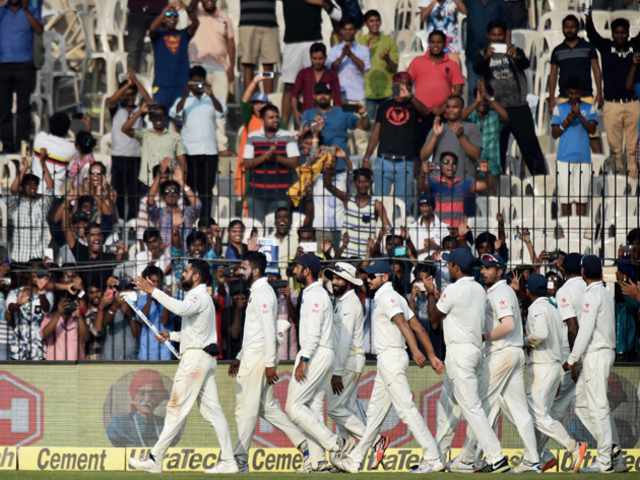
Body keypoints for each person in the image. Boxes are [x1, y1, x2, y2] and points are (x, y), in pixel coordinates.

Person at [335, 260, 445, 474]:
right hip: (389, 359)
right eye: (367, 276)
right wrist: (432, 356)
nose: (368, 279)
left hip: (391, 358)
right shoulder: (397, 297)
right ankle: (355, 459)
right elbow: (418, 328)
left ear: (385, 277)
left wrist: (416, 351)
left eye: (372, 276)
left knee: (406, 409)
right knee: (374, 413)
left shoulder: (386, 297)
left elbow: (405, 325)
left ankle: (432, 457)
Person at [130, 259, 239, 474]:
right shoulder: (201, 296)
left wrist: (153, 291)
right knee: (214, 413)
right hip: (204, 358)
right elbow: (196, 333)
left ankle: (155, 459)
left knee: (175, 411)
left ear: (196, 276)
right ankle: (229, 461)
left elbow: (180, 309)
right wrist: (173, 335)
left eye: (187, 271)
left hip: (195, 361)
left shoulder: (197, 295)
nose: (183, 274)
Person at [448, 254, 539, 472]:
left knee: (476, 406)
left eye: (489, 268)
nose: (483, 271)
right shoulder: (502, 291)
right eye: (482, 267)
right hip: (514, 353)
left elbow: (507, 325)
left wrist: (483, 336)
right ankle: (532, 459)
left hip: (501, 354)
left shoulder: (499, 292)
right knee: (519, 410)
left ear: (500, 271)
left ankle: (467, 459)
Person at [425, 248, 510, 473]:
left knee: (471, 408)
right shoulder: (479, 289)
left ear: (456, 267)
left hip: (459, 354)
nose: (448, 267)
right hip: (473, 351)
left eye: (450, 264)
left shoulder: (454, 288)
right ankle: (437, 457)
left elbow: (434, 317)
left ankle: (496, 457)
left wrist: (430, 293)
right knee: (446, 406)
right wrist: (437, 293)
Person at [229, 252, 309, 472]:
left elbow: (268, 330)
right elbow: (254, 332)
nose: (239, 271)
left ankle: (239, 460)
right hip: (253, 355)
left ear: (255, 271)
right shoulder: (258, 291)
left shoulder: (263, 292)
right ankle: (304, 445)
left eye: (243, 267)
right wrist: (238, 357)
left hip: (258, 358)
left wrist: (268, 364)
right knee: (268, 408)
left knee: (245, 408)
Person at [285, 253, 347, 472]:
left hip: (315, 353)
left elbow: (313, 332)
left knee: (292, 407)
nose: (294, 271)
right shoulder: (314, 292)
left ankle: (335, 444)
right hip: (319, 352)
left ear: (307, 270)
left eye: (297, 268)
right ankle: (318, 461)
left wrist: (304, 359)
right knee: (312, 407)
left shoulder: (315, 294)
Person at [523, 274, 587, 474]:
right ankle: (541, 455)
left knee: (536, 415)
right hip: (553, 367)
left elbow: (540, 334)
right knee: (538, 414)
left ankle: (572, 446)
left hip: (542, 367)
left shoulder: (535, 308)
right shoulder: (553, 308)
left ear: (528, 291)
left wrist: (525, 341)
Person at [563, 255, 619, 473]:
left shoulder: (591, 295)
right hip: (603, 352)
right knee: (582, 403)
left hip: (596, 354)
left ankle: (604, 461)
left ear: (583, 272)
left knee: (598, 407)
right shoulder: (605, 292)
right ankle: (615, 452)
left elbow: (583, 331)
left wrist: (571, 360)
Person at [473, 19, 546, 176]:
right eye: (494, 35)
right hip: (496, 111)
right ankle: (495, 192)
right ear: (488, 36)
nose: (497, 38)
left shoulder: (515, 51)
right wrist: (486, 57)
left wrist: (516, 57)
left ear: (505, 35)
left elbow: (525, 64)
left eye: (500, 35)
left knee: (530, 148)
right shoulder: (482, 54)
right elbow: (476, 68)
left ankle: (543, 185)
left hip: (519, 108)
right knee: (497, 152)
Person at [324, 262, 375, 454]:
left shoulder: (349, 304)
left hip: (349, 362)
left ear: (349, 282)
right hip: (347, 362)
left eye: (338, 279)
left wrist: (337, 372)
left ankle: (374, 440)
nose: (334, 282)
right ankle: (345, 453)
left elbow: (345, 341)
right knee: (344, 408)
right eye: (333, 278)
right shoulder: (344, 300)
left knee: (333, 409)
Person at [363, 72, 430, 211]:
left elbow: (426, 114)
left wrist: (410, 97)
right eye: (400, 83)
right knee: (379, 205)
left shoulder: (413, 106)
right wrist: (366, 157)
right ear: (394, 85)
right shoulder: (384, 105)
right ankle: (381, 231)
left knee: (404, 207)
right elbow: (376, 133)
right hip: (383, 161)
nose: (403, 86)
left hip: (405, 163)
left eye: (407, 84)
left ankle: (402, 232)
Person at [586, 7, 640, 178]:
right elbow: (592, 35)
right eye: (617, 33)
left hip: (632, 104)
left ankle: (633, 185)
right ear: (612, 33)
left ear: (628, 33)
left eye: (623, 33)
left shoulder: (635, 45)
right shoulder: (606, 47)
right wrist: (588, 16)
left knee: (632, 150)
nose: (620, 36)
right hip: (612, 106)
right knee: (615, 150)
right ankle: (618, 186)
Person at [170, 66, 227, 218]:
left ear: (205, 81)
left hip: (209, 152)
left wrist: (212, 95)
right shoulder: (183, 100)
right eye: (194, 82)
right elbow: (175, 116)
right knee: (189, 189)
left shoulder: (211, 100)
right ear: (189, 82)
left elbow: (222, 113)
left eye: (199, 82)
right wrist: (185, 94)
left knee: (206, 190)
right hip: (189, 152)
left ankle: (205, 222)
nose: (197, 85)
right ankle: (188, 222)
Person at [280, 0, 342, 125]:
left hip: (314, 42)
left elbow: (339, 15)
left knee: (317, 86)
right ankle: (283, 129)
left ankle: (318, 125)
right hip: (292, 43)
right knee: (289, 87)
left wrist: (322, 3)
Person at [548, 14, 602, 154]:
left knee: (592, 135)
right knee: (562, 130)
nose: (569, 30)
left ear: (577, 28)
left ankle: (600, 167)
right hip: (564, 98)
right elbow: (553, 74)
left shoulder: (588, 48)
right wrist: (551, 98)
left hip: (585, 96)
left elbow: (596, 70)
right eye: (566, 27)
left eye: (572, 27)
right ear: (562, 29)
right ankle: (560, 164)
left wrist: (600, 94)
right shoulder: (557, 50)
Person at [188, 0, 235, 157]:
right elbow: (190, 7)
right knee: (197, 107)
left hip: (221, 68)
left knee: (220, 108)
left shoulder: (224, 17)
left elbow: (230, 41)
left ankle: (222, 147)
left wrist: (231, 66)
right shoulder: (194, 13)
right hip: (198, 67)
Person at [107, 69, 155, 219]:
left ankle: (133, 224)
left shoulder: (139, 109)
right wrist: (127, 85)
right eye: (126, 95)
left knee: (134, 195)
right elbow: (111, 100)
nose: (130, 97)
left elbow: (150, 102)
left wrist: (135, 83)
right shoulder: (116, 109)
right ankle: (120, 223)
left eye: (132, 94)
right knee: (118, 195)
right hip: (118, 157)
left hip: (135, 159)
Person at [408, 31, 464, 150]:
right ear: (429, 43)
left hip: (444, 115)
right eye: (432, 42)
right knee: (418, 150)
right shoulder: (417, 61)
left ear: (444, 44)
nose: (435, 45)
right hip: (420, 116)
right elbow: (407, 84)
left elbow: (458, 91)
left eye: (439, 42)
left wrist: (444, 108)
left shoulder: (452, 65)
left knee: (443, 150)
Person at [551, 77, 598, 217]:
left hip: (583, 159)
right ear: (566, 92)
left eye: (576, 93)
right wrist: (566, 121)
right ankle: (566, 232)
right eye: (571, 94)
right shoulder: (559, 109)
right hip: (564, 159)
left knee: (582, 199)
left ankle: (580, 231)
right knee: (565, 198)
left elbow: (592, 130)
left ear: (581, 92)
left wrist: (579, 115)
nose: (573, 97)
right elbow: (554, 134)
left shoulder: (589, 108)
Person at [0, 0, 42, 154]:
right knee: (4, 109)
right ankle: (8, 146)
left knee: (23, 108)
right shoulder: (1, 11)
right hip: (3, 65)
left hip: (24, 65)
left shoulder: (31, 10)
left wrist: (26, 11)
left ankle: (21, 146)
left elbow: (39, 30)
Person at [243, 105, 300, 218]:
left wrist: (275, 157)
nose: (275, 120)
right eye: (271, 117)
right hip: (256, 195)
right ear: (262, 120)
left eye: (276, 117)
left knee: (276, 231)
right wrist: (264, 157)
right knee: (257, 230)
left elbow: (295, 163)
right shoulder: (252, 137)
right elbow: (246, 164)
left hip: (281, 195)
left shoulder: (288, 136)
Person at [324, 166, 389, 259]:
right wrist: (328, 168)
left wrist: (379, 240)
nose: (363, 185)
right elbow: (328, 186)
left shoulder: (376, 204)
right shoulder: (348, 199)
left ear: (370, 183)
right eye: (360, 182)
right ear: (355, 183)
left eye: (366, 182)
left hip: (366, 256)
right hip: (347, 255)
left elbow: (388, 228)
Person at [328, 17, 372, 155]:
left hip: (356, 98)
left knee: (360, 136)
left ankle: (365, 171)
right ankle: (341, 167)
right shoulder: (335, 50)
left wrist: (350, 55)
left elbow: (365, 67)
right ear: (340, 31)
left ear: (355, 31)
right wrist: (342, 56)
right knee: (339, 134)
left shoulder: (363, 50)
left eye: (350, 29)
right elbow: (330, 70)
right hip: (338, 98)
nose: (348, 32)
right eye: (345, 29)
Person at [149, 0, 199, 112]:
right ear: (163, 19)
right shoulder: (159, 36)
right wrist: (165, 10)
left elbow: (195, 24)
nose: (172, 18)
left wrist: (187, 9)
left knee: (179, 123)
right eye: (168, 15)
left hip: (181, 86)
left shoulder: (183, 34)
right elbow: (152, 29)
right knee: (161, 123)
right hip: (162, 86)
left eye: (175, 15)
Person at [419, 151, 492, 228]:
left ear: (456, 167)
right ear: (441, 165)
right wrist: (423, 174)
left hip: (456, 232)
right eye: (446, 162)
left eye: (453, 162)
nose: (450, 164)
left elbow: (488, 186)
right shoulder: (433, 181)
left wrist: (488, 173)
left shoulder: (464, 183)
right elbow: (420, 187)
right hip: (437, 230)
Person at [122, 103, 186, 188]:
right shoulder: (144, 134)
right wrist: (140, 111)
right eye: (155, 116)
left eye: (161, 115)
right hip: (147, 182)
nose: (158, 118)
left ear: (166, 117)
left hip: (168, 183)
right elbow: (125, 129)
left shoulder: (175, 137)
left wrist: (182, 184)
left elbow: (183, 163)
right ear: (150, 118)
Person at [420, 95, 482, 180]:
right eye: (448, 107)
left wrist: (461, 137)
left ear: (462, 109)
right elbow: (423, 156)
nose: (450, 110)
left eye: (455, 107)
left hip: (464, 182)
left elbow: (476, 156)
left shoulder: (472, 128)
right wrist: (435, 136)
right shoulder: (438, 128)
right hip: (439, 183)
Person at [106, 369, 172, 447]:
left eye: (152, 394)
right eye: (141, 393)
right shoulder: (118, 424)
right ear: (134, 398)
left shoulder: (166, 425)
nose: (147, 399)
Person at [462, 0, 511, 104]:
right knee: (473, 90)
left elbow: (507, 27)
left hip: (496, 55)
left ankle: (497, 118)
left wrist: (506, 48)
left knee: (496, 89)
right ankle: (473, 118)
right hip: (474, 54)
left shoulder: (500, 2)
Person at [8, 154, 54, 263]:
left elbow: (50, 186)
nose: (32, 187)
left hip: (40, 256)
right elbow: (13, 190)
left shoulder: (42, 202)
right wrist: (25, 168)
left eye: (35, 184)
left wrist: (43, 164)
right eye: (28, 184)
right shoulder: (16, 203)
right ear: (22, 187)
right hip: (20, 257)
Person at [356, 10, 399, 121]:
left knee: (389, 124)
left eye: (377, 20)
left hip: (388, 92)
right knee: (369, 127)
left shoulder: (389, 41)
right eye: (371, 21)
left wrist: (387, 59)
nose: (375, 23)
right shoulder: (359, 42)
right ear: (365, 24)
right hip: (368, 93)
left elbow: (394, 69)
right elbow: (356, 69)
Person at [462, 80, 509, 179]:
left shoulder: (494, 116)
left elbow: (505, 116)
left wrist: (488, 96)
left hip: (492, 170)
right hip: (471, 171)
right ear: (474, 98)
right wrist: (476, 102)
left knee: (493, 194)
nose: (483, 103)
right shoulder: (469, 116)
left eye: (486, 100)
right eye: (480, 100)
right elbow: (458, 119)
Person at [6, 262, 53, 360]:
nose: (36, 273)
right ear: (27, 273)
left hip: (39, 352)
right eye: (33, 270)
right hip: (18, 351)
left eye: (39, 271)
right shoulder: (15, 292)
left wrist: (41, 291)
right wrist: (17, 304)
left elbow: (47, 309)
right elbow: (10, 309)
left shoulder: (48, 294)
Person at [148, 164, 201, 247]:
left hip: (185, 255)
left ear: (179, 194)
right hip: (165, 255)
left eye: (174, 190)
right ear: (162, 196)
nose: (171, 194)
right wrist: (158, 178)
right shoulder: (158, 213)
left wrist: (181, 181)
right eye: (167, 192)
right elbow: (150, 202)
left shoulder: (187, 212)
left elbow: (198, 205)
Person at [291, 43, 342, 125]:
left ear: (325, 57)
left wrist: (337, 118)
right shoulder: (303, 73)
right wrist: (296, 111)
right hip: (307, 117)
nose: (317, 62)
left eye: (320, 59)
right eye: (314, 59)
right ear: (310, 57)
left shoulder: (332, 75)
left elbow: (337, 99)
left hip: (326, 118)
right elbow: (294, 94)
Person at [31, 113, 80, 195]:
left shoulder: (39, 138)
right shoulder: (71, 149)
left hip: (33, 191)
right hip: (54, 195)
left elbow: (46, 132)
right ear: (67, 129)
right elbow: (84, 147)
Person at [237, 0, 279, 95]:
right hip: (247, 21)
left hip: (269, 23)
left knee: (268, 65)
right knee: (248, 64)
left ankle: (268, 104)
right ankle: (248, 104)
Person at [136, 267, 174, 361]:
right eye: (152, 282)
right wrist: (151, 299)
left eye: (158, 281)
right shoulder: (141, 300)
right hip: (146, 351)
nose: (156, 285)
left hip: (165, 350)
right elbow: (141, 319)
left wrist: (166, 301)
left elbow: (165, 321)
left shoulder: (170, 299)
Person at [41, 294, 90, 360]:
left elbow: (86, 338)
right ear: (58, 303)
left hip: (76, 364)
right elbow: (45, 334)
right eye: (64, 303)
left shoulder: (78, 317)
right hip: (55, 364)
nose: (66, 306)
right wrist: (58, 314)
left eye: (69, 302)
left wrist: (79, 316)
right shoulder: (50, 316)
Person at [126, 0, 168, 71]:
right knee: (134, 49)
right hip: (136, 10)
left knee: (162, 49)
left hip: (159, 10)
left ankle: (162, 80)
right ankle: (131, 80)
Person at [408, 195, 447, 261]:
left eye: (427, 205)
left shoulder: (444, 227)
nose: (424, 209)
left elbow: (449, 254)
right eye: (422, 206)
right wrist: (422, 250)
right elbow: (404, 254)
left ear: (433, 206)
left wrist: (435, 247)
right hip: (417, 268)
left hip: (439, 269)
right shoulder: (411, 227)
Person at [221, 281, 247, 359]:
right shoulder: (227, 311)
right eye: (236, 294)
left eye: (242, 293)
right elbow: (234, 334)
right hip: (232, 355)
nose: (240, 296)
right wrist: (238, 309)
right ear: (232, 296)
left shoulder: (251, 310)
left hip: (249, 354)